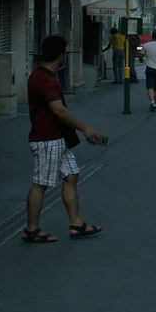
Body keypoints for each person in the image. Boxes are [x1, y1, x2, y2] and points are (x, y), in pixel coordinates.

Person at [24, 35, 105, 243]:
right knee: (41, 183)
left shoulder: (43, 76)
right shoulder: (45, 79)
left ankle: (76, 224)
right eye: (65, 53)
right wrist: (85, 128)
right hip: (47, 138)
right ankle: (32, 229)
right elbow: (58, 110)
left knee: (71, 174)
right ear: (60, 55)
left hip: (56, 137)